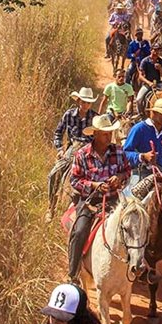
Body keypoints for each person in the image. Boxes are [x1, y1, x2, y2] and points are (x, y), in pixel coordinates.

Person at [66, 114, 131, 282]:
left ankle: (138, 265)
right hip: (90, 201)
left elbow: (127, 171)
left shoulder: (118, 151)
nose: (109, 136)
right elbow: (74, 180)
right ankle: (72, 274)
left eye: (110, 133)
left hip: (114, 199)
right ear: (95, 134)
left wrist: (120, 177)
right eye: (105, 133)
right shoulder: (82, 154)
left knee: (134, 224)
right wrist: (94, 185)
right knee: (79, 231)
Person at [47, 87, 98, 222]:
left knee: (99, 176)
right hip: (72, 148)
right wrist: (60, 149)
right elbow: (58, 133)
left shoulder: (95, 117)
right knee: (54, 174)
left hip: (88, 150)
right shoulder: (69, 115)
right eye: (83, 101)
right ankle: (51, 207)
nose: (85, 105)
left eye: (88, 102)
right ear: (78, 101)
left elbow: (99, 139)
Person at [123, 97, 162, 188]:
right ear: (154, 113)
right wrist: (143, 156)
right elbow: (125, 153)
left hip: (161, 171)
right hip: (140, 171)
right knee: (133, 198)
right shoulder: (139, 129)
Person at [135, 46, 162, 116]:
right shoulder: (145, 61)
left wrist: (160, 68)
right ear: (151, 50)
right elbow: (140, 76)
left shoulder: (161, 61)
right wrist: (149, 83)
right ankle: (141, 114)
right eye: (155, 50)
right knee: (139, 99)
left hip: (159, 83)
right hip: (147, 83)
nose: (156, 52)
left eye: (158, 50)